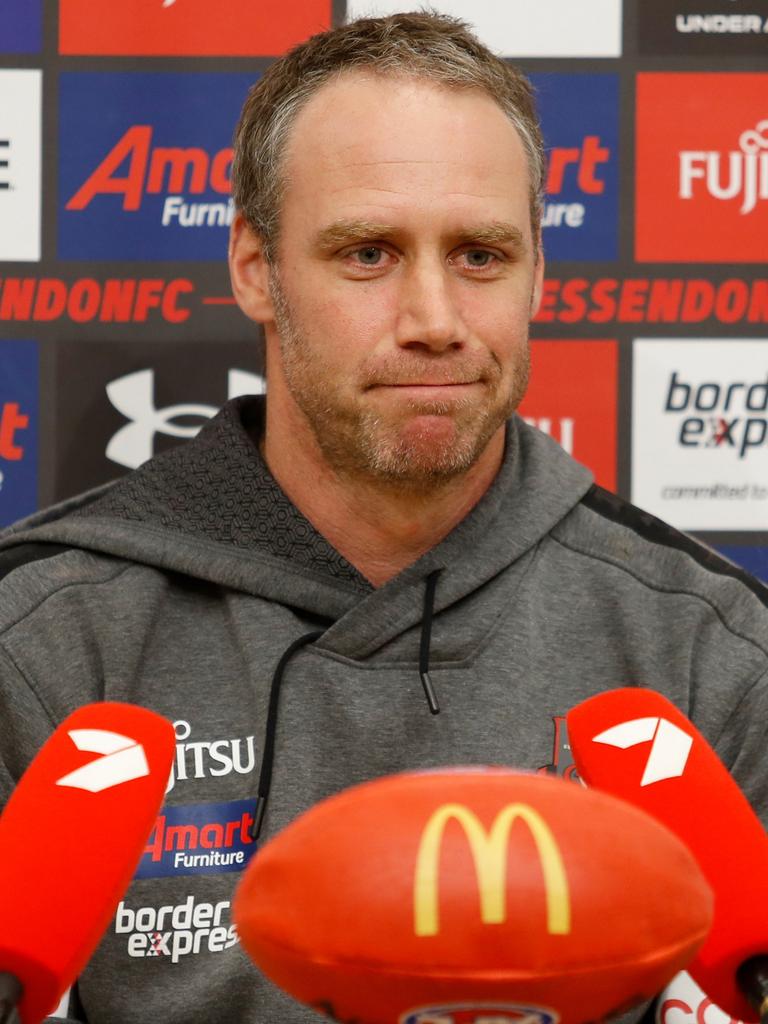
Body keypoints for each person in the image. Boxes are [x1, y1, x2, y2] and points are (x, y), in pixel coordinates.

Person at [0, 11, 766, 1024]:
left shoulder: (709, 650)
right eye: (368, 253)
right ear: (254, 268)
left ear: (541, 266)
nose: (436, 320)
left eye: (482, 255)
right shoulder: (43, 641)